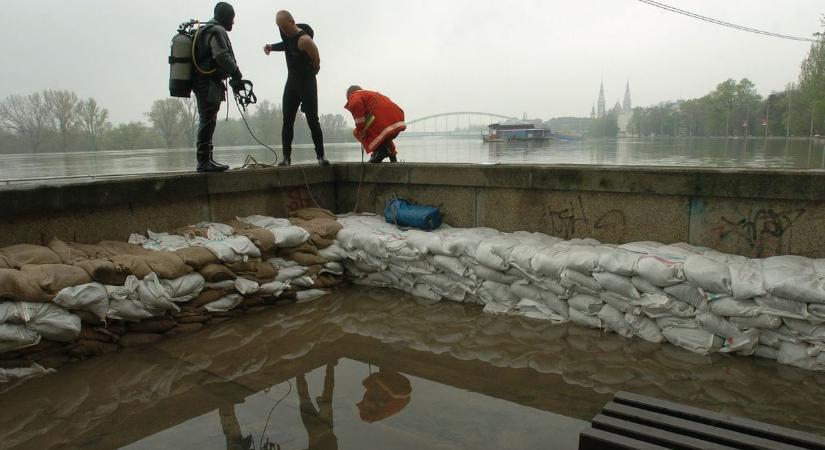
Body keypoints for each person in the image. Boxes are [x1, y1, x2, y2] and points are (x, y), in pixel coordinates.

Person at [263, 11, 329, 166]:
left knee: (313, 120)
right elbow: (286, 45)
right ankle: (286, 157)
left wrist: (308, 78)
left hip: (307, 83)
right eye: (280, 27)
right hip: (291, 83)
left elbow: (317, 63)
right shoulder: (284, 32)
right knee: (287, 121)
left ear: (292, 22)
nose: (283, 30)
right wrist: (271, 47)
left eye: (285, 27)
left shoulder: (305, 41)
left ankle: (321, 156)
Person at [191, 2, 245, 172]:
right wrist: (236, 73)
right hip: (207, 82)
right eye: (232, 18)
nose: (233, 22)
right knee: (208, 119)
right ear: (224, 16)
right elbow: (221, 55)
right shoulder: (217, 30)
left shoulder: (206, 29)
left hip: (202, 81)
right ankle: (203, 161)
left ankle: (208, 159)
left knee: (208, 119)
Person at [344, 86, 406, 163]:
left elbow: (355, 104)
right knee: (384, 137)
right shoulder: (371, 95)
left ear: (350, 94)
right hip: (398, 119)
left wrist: (361, 129)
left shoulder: (355, 95)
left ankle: (380, 152)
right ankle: (391, 156)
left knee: (356, 132)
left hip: (384, 120)